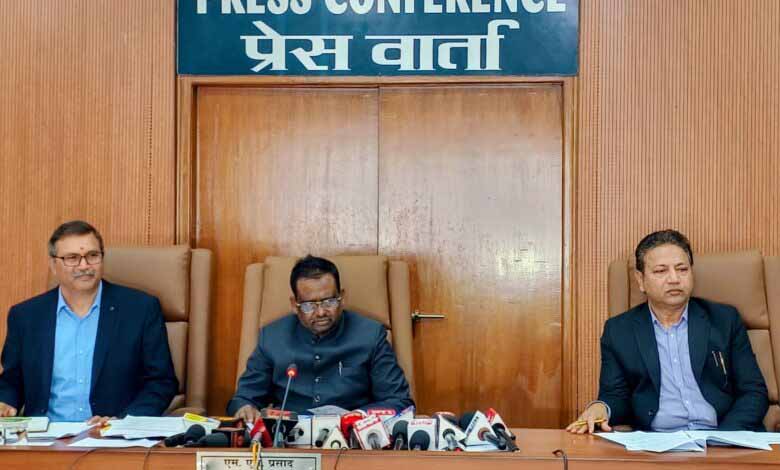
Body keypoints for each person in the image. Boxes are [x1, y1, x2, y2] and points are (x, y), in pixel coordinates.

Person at [567, 229, 768, 434]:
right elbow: (615, 396)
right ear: (640, 280)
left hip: (724, 436)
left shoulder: (724, 320)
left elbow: (753, 392)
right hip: (658, 443)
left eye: (682, 269)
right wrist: (601, 407)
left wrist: (723, 440)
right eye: (661, 271)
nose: (674, 279)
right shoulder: (618, 331)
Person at [0, 220, 178, 424]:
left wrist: (123, 422)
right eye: (72, 258)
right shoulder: (26, 316)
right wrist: (5, 402)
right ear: (53, 265)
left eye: (92, 256)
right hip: (45, 435)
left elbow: (161, 382)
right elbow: (12, 380)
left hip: (112, 435)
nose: (84, 266)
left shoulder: (140, 309)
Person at [228, 255, 414, 422]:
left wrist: (357, 417)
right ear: (294, 304)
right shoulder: (271, 338)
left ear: (342, 297)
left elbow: (398, 401)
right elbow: (244, 398)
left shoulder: (371, 335)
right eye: (309, 305)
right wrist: (245, 408)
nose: (321, 312)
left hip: (352, 437)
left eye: (329, 301)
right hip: (288, 439)